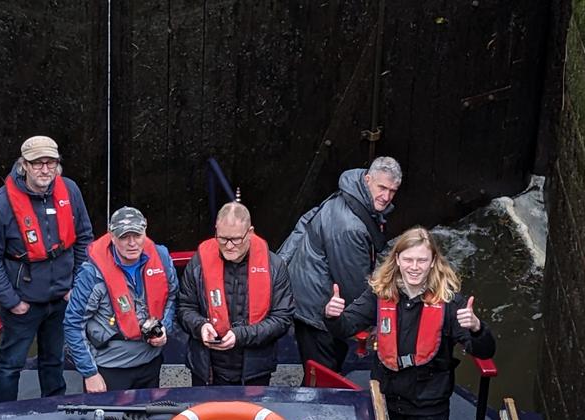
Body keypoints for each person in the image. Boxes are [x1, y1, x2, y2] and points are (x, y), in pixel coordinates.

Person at [323, 226, 495, 420]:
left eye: (422, 260)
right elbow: (346, 326)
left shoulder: (451, 303)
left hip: (429, 405)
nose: (414, 267)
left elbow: (485, 349)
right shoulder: (380, 294)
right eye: (409, 260)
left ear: (433, 262)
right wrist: (332, 316)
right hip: (388, 400)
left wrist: (476, 328)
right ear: (398, 260)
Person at [0, 136, 94, 403]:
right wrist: (12, 301)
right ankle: (1, 414)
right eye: (37, 163)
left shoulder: (71, 191)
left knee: (54, 360)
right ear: (24, 165)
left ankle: (54, 408)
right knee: (10, 366)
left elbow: (85, 238)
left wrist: (76, 284)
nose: (45, 170)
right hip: (24, 303)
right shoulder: (1, 204)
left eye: (50, 163)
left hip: (62, 297)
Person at [278, 156, 402, 373]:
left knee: (317, 364)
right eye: (382, 188)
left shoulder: (349, 195)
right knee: (323, 370)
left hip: (305, 291)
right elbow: (354, 284)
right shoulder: (350, 227)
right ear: (367, 179)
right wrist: (371, 319)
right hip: (317, 309)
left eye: (392, 191)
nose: (386, 197)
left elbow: (305, 222)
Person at [178, 202, 295, 386]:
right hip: (207, 370)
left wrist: (241, 335)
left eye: (236, 239)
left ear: (250, 232)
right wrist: (200, 327)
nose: (229, 245)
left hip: (254, 372)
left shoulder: (274, 266)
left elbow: (282, 319)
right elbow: (185, 308)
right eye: (223, 238)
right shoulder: (198, 263)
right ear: (216, 230)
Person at [64, 206, 178, 392]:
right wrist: (90, 373)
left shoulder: (162, 259)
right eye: (124, 237)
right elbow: (72, 324)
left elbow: (173, 296)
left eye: (137, 235)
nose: (132, 243)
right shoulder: (91, 274)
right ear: (112, 236)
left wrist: (165, 327)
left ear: (145, 232)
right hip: (110, 369)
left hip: (150, 364)